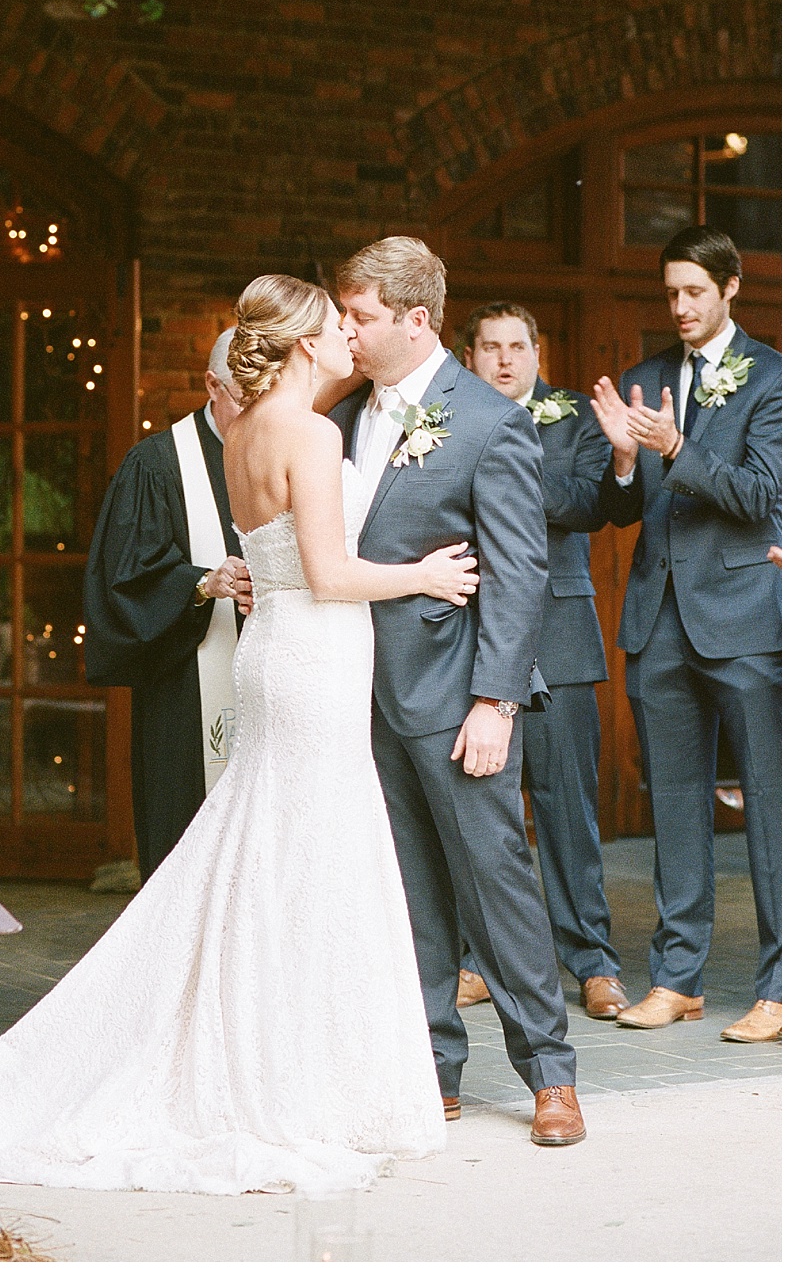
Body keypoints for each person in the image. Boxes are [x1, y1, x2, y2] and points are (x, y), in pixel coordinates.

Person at [0, 274, 478, 1195]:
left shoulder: (243, 432)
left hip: (272, 654)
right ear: (300, 345)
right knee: (309, 858)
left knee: (263, 851)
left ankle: (266, 1048)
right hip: (316, 657)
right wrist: (424, 575)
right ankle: (294, 1077)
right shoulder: (314, 433)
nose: (347, 341)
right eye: (334, 328)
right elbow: (328, 574)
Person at [330, 237, 583, 1146]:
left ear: (415, 319)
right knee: (407, 891)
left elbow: (521, 572)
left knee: (494, 881)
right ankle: (433, 1068)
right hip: (359, 693)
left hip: (453, 695)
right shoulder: (346, 412)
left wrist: (496, 703)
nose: (345, 330)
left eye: (359, 316)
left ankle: (550, 1071)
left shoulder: (486, 420)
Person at [587, 225, 781, 1044]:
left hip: (743, 620)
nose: (682, 307)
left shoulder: (772, 377)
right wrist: (627, 464)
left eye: (696, 292)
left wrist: (677, 446)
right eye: (671, 293)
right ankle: (678, 978)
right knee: (674, 806)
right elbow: (623, 507)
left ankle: (780, 985)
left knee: (772, 807)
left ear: (731, 286)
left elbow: (762, 494)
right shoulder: (645, 378)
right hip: (658, 622)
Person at [457, 302, 627, 1021]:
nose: (503, 359)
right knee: (476, 814)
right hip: (469, 635)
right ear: (470, 356)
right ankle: (475, 961)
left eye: (516, 346)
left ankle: (592, 962)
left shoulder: (574, 419)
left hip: (558, 635)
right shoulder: (447, 417)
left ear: (537, 350)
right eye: (490, 347)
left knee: (568, 811)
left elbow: (589, 502)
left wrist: (501, 468)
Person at [83, 327, 254, 881]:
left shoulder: (280, 454)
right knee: (187, 848)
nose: (256, 413)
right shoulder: (156, 466)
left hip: (272, 674)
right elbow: (125, 583)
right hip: (185, 692)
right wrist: (201, 584)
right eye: (242, 396)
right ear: (211, 385)